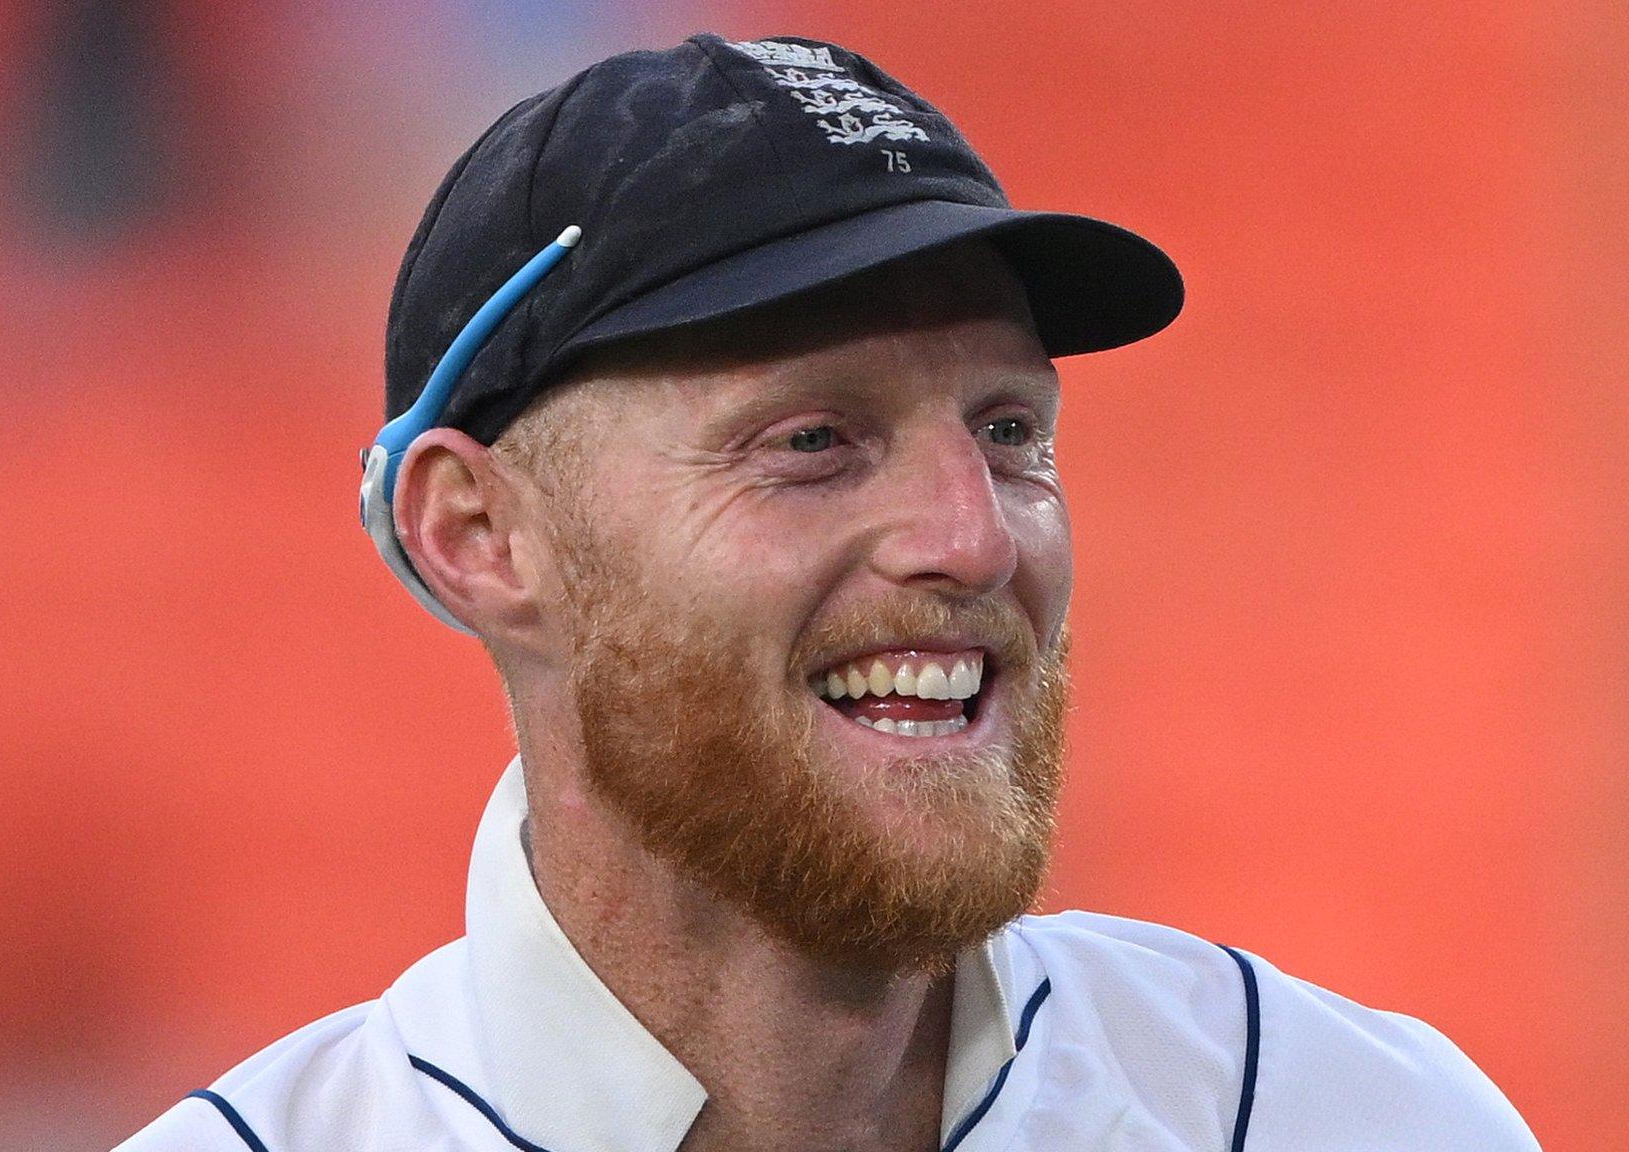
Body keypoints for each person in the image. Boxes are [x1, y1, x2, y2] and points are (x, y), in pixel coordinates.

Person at [117, 33, 1539, 1152]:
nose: (973, 542)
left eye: (1008, 433)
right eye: (813, 441)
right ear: (482, 538)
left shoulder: (1354, 1122)